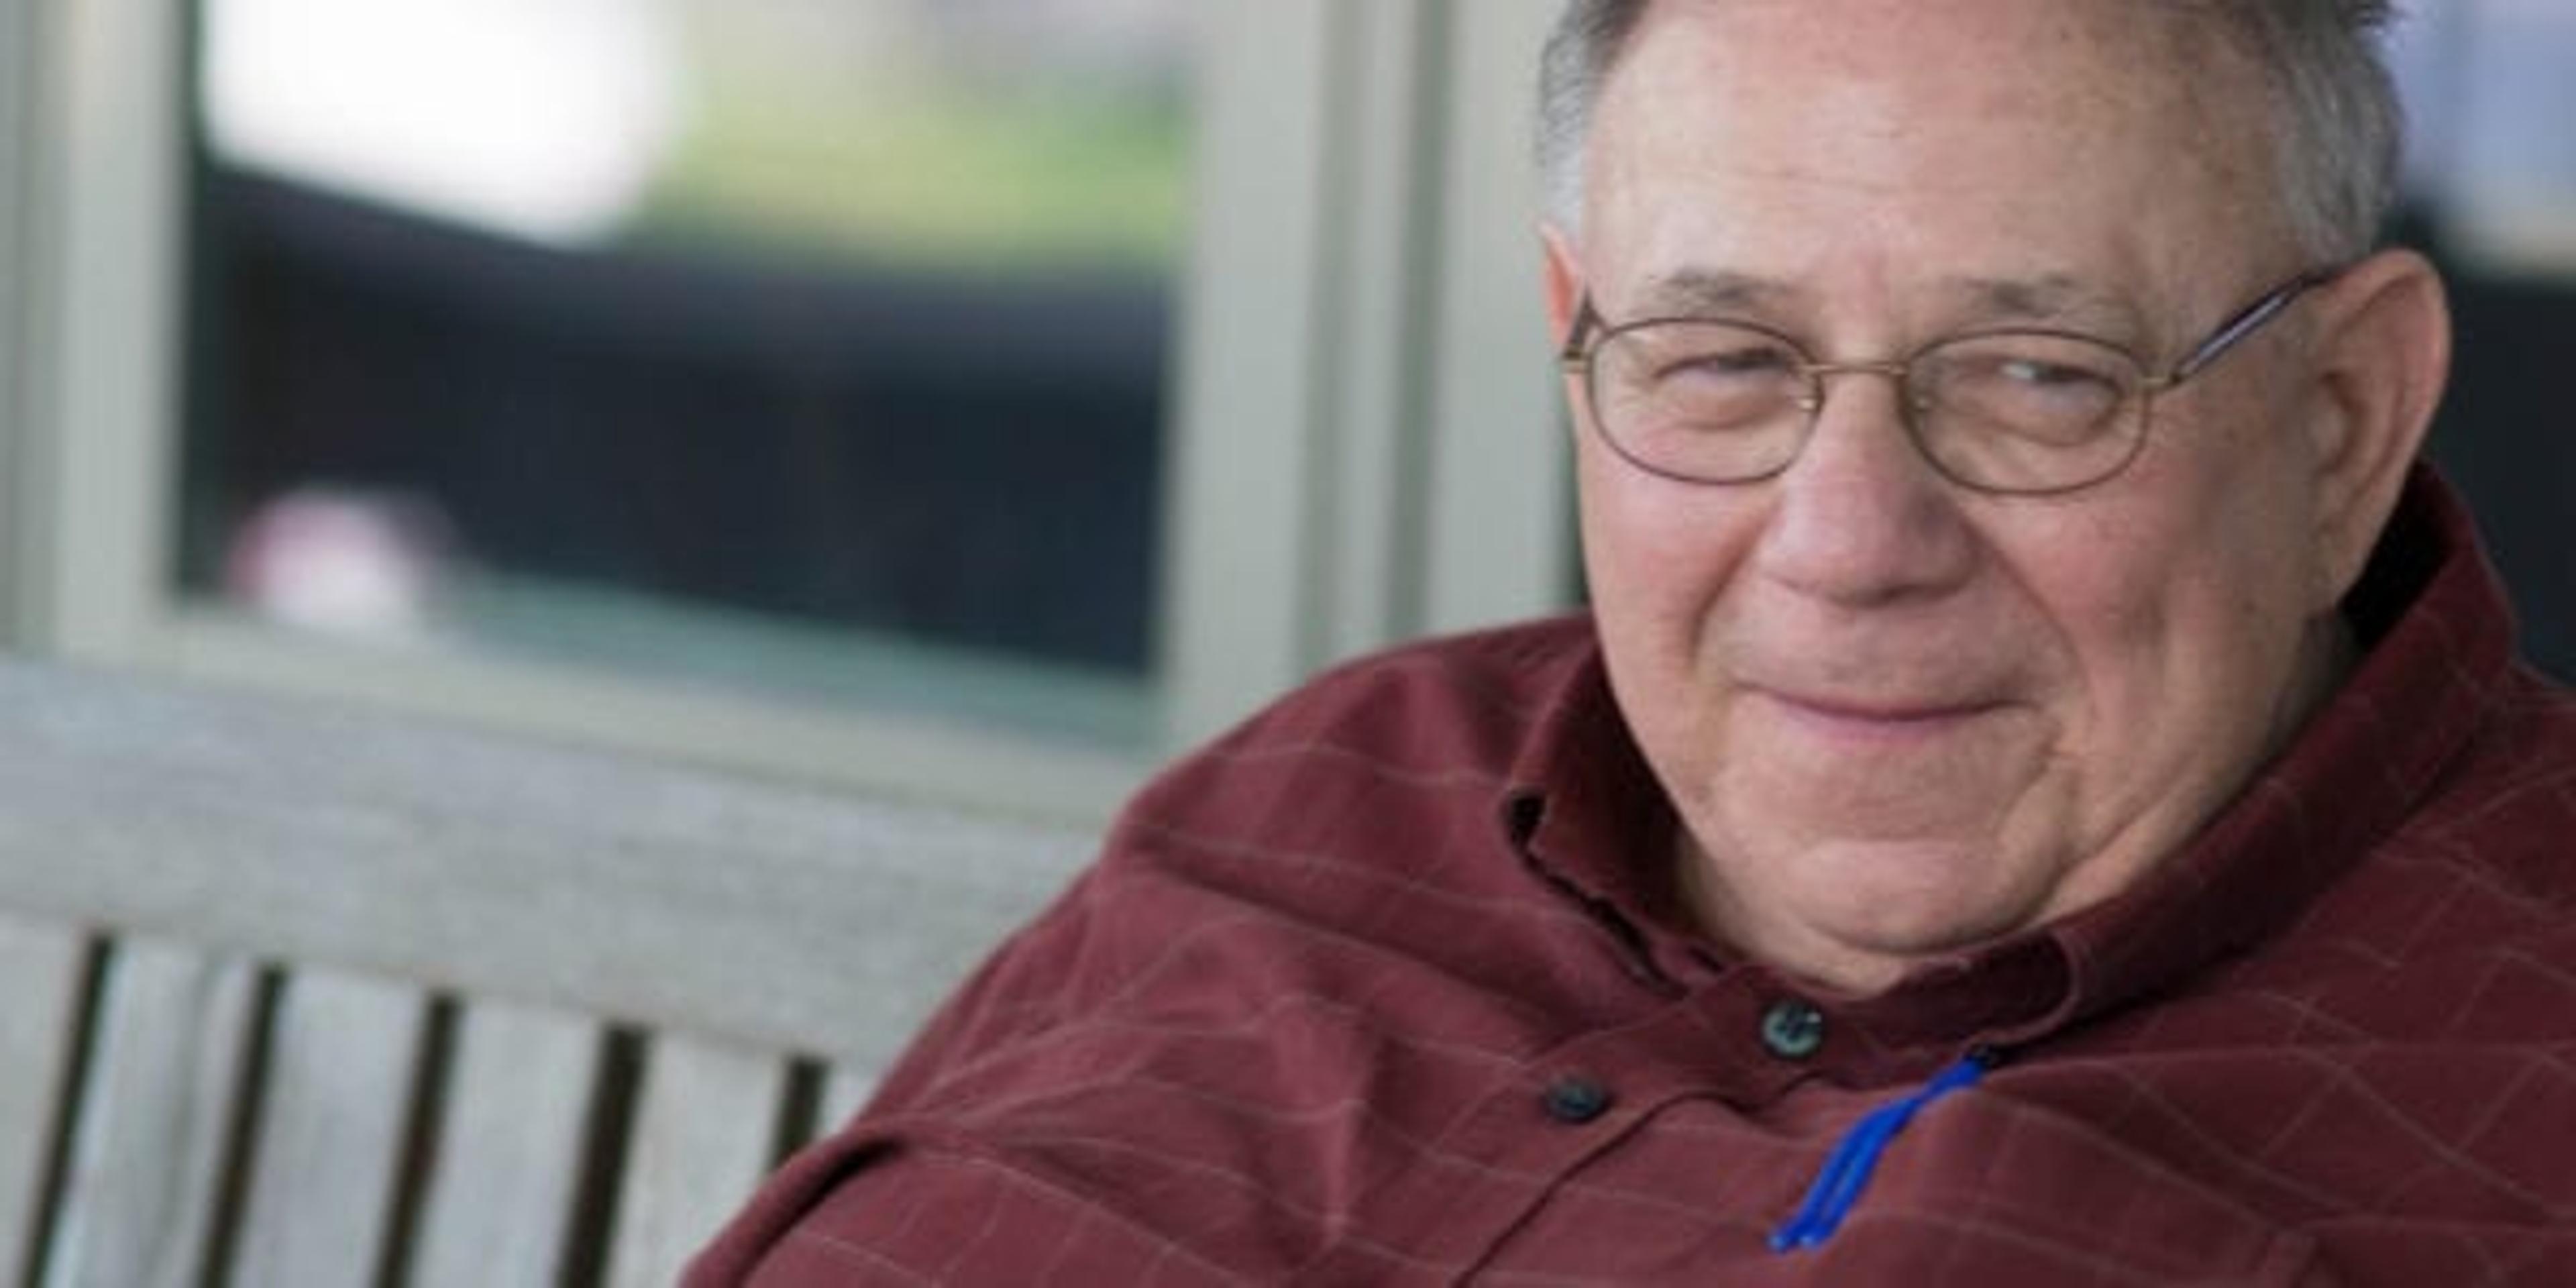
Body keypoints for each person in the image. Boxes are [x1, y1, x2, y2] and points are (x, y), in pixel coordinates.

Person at [691, 1, 2576, 1282]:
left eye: (2035, 377)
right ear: (1576, 335)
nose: (1846, 546)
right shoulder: (1327, 790)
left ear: (2343, 418)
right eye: (1726, 362)